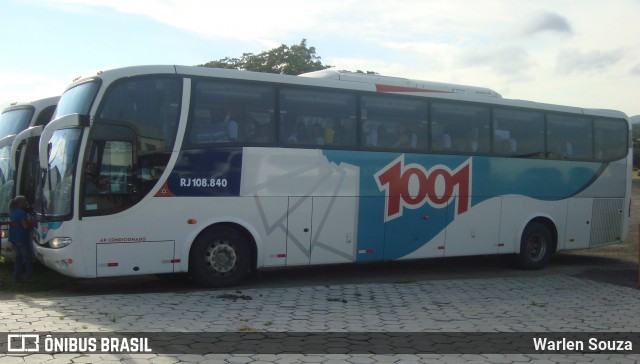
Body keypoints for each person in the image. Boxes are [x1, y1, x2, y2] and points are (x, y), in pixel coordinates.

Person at [9, 195, 35, 282]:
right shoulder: (22, 213)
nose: (26, 204)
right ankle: (29, 277)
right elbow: (25, 226)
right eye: (25, 202)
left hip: (14, 238)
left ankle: (17, 277)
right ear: (20, 203)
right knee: (28, 258)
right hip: (22, 239)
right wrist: (31, 223)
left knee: (18, 258)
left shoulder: (13, 212)